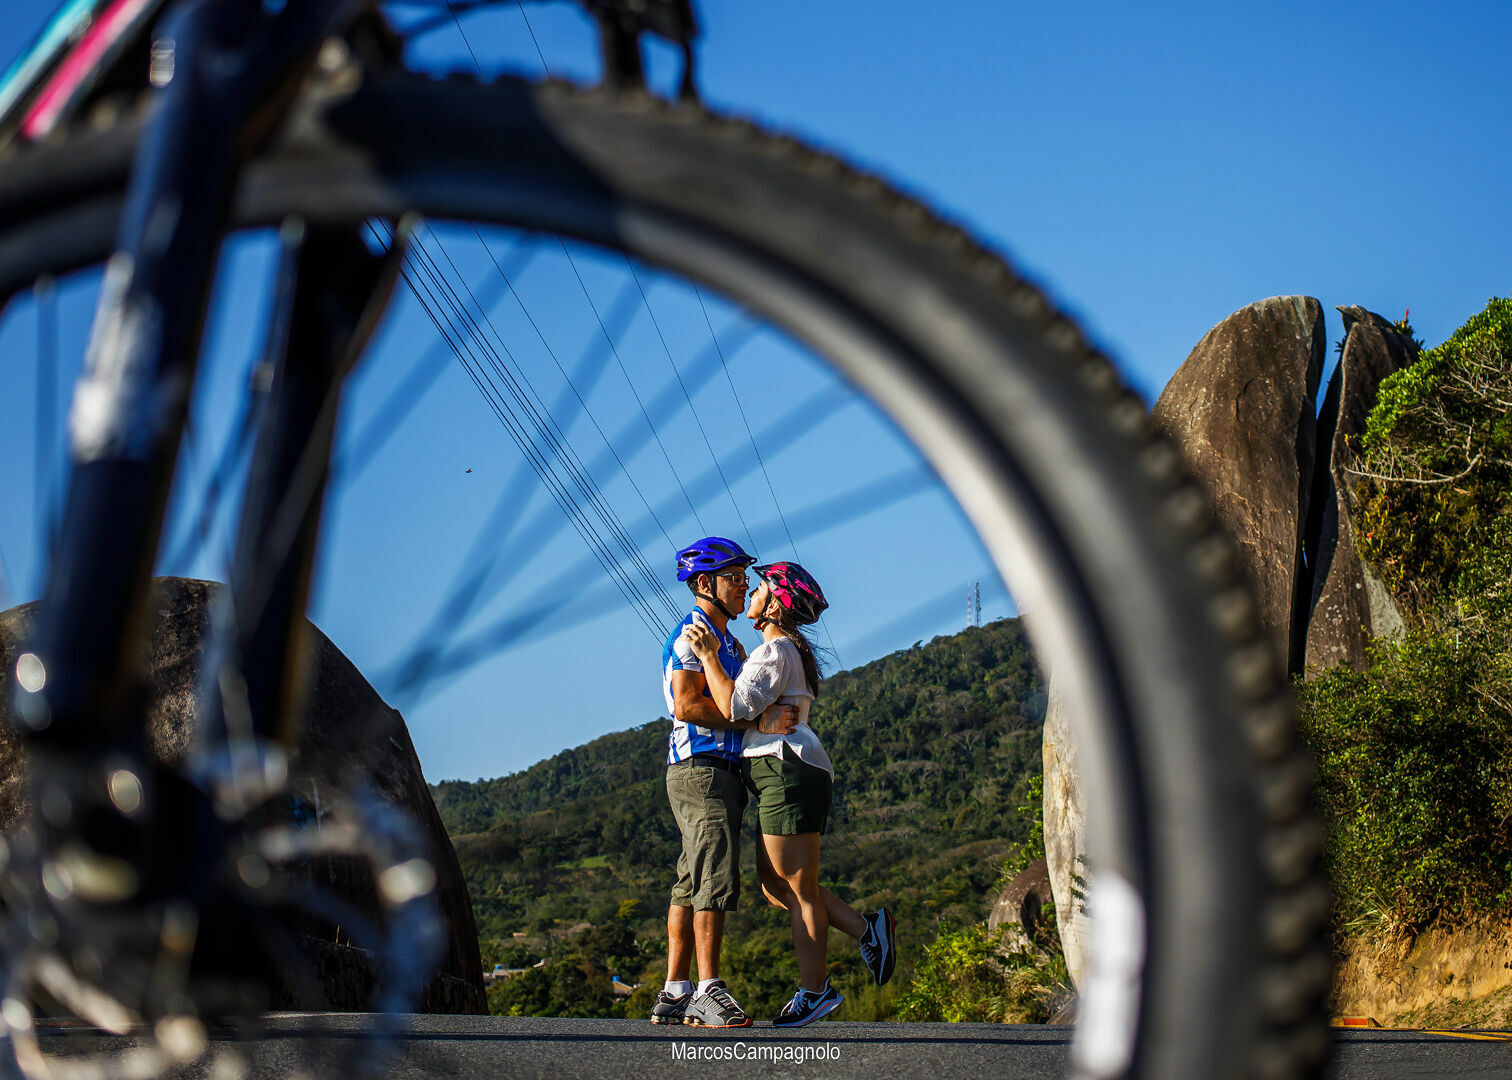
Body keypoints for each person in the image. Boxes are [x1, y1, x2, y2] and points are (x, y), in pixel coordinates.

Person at [683, 560, 896, 1028]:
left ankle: (815, 992)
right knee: (776, 883)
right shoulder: (777, 652)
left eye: (759, 588)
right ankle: (867, 930)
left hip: (786, 771)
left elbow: (734, 705)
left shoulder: (777, 652)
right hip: (781, 773)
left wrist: (712, 657)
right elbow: (749, 709)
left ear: (776, 604)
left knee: (798, 890)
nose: (751, 593)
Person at [651, 536, 795, 1028]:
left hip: (718, 772)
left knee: (690, 877)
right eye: (732, 578)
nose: (743, 586)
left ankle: (675, 989)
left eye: (743, 578)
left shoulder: (729, 642)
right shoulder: (692, 636)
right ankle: (708, 989)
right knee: (714, 870)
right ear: (703, 584)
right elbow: (686, 705)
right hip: (702, 769)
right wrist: (752, 722)